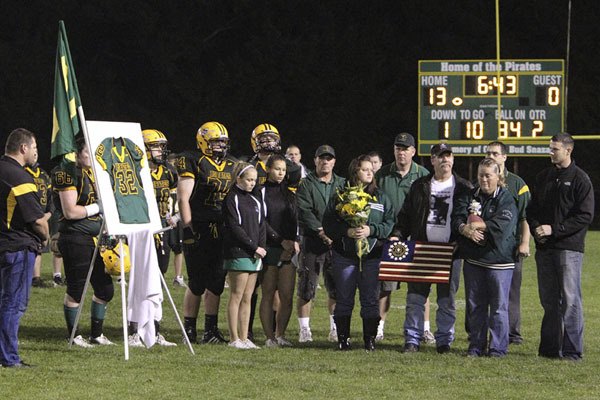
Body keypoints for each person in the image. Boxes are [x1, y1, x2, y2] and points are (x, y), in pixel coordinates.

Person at [394, 143, 472, 353]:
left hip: (450, 252)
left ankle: (444, 341)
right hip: (422, 248)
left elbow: (471, 220)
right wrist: (397, 235)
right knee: (415, 298)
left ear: (453, 159)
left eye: (448, 156)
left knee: (446, 299)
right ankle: (412, 338)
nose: (445, 160)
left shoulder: (464, 187)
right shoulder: (420, 185)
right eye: (440, 156)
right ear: (432, 160)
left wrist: (461, 244)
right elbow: (406, 216)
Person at [526, 133, 594, 361]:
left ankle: (573, 351)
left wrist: (555, 229)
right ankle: (550, 349)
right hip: (545, 248)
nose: (550, 152)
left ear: (568, 150)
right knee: (549, 300)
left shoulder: (580, 179)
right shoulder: (543, 176)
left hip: (568, 248)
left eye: (554, 149)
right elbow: (532, 209)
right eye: (550, 148)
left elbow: (585, 215)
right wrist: (536, 228)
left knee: (570, 300)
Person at [323, 155, 395, 351]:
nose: (370, 172)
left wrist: (371, 231)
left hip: (372, 256)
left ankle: (369, 340)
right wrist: (346, 231)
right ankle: (343, 340)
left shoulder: (381, 197)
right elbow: (328, 224)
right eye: (365, 169)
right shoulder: (340, 195)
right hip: (345, 256)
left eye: (372, 169)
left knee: (370, 299)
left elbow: (389, 223)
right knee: (344, 298)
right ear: (355, 172)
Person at [53, 135, 114, 348]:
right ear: (77, 153)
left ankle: (96, 335)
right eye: (87, 151)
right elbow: (70, 211)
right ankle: (74, 336)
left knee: (105, 290)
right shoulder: (66, 172)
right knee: (77, 290)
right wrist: (97, 207)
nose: (91, 155)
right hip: (75, 237)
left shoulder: (94, 172)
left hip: (95, 238)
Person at [177, 121, 235, 344]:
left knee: (217, 282)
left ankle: (210, 329)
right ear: (203, 141)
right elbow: (183, 198)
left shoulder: (231, 164)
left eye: (222, 142)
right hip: (199, 226)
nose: (219, 146)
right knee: (197, 282)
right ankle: (189, 329)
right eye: (215, 142)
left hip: (222, 228)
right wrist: (188, 227)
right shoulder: (193, 160)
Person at [453, 158, 518, 357]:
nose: (484, 179)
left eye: (488, 175)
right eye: (481, 175)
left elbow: (503, 223)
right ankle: (476, 346)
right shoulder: (470, 195)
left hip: (500, 261)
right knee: (475, 306)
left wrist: (478, 225)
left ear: (498, 177)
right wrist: (464, 229)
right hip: (473, 260)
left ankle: (498, 348)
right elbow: (456, 216)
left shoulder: (506, 198)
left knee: (498, 307)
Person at [126, 129, 180, 348]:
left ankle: (154, 330)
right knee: (138, 282)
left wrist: (174, 215)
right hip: (141, 232)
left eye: (161, 146)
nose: (160, 151)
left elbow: (172, 199)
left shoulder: (168, 171)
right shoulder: (135, 170)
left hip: (161, 232)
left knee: (157, 281)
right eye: (156, 146)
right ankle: (133, 331)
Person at [0, 128, 49, 368]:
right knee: (13, 304)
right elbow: (37, 220)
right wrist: (46, 236)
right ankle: (9, 357)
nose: (36, 152)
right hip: (17, 246)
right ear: (23, 149)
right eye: (34, 147)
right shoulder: (20, 176)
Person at [375, 132, 429, 341]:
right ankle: (379, 327)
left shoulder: (423, 174)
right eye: (398, 148)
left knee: (420, 284)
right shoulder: (383, 174)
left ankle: (424, 328)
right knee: (385, 285)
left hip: (415, 237)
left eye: (405, 149)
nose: (401, 153)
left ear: (413, 151)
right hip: (390, 237)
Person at [295, 145, 345, 343]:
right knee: (307, 287)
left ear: (334, 161)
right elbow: (304, 210)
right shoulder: (306, 184)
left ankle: (334, 328)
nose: (325, 162)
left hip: (336, 244)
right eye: (321, 158)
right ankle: (304, 329)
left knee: (336, 287)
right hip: (312, 242)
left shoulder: (342, 183)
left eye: (329, 158)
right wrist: (321, 231)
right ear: (315, 160)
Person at [485, 141, 531, 345]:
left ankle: (512, 333)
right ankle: (477, 331)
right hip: (486, 246)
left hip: (510, 246)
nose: (491, 156)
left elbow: (525, 216)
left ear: (505, 157)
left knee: (511, 291)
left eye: (495, 153)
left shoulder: (517, 184)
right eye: (488, 153)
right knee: (483, 292)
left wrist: (525, 242)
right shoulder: (482, 180)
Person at [222, 162, 266, 349]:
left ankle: (244, 336)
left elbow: (261, 225)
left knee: (248, 297)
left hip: (255, 254)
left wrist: (261, 247)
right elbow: (234, 227)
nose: (252, 183)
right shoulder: (232, 198)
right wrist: (253, 247)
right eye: (248, 180)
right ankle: (234, 338)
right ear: (238, 178)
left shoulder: (255, 200)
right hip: (239, 252)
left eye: (254, 180)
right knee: (236, 295)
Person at [259, 155, 300, 347]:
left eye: (283, 169)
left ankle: (280, 334)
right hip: (270, 248)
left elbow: (295, 221)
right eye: (277, 169)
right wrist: (279, 240)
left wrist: (294, 242)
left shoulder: (290, 193)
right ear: (268, 169)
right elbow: (261, 222)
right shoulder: (261, 192)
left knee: (287, 295)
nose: (281, 173)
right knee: (268, 293)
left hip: (289, 249)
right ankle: (269, 337)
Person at [24, 162, 53, 288]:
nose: (35, 152)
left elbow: (51, 196)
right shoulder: (22, 172)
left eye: (36, 149)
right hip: (28, 215)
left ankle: (36, 277)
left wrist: (49, 213)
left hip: (42, 215)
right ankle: (26, 276)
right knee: (28, 245)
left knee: (40, 246)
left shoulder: (44, 175)